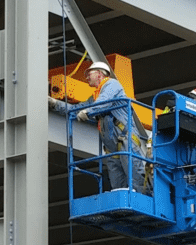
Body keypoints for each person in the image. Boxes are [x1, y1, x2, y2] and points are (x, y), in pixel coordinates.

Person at [53, 59, 148, 193]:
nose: (87, 77)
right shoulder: (95, 97)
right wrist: (55, 104)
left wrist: (88, 112)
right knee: (117, 184)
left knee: (134, 173)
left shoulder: (112, 85)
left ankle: (143, 199)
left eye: (89, 73)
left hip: (125, 139)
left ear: (99, 74)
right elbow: (76, 109)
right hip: (112, 147)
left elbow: (105, 102)